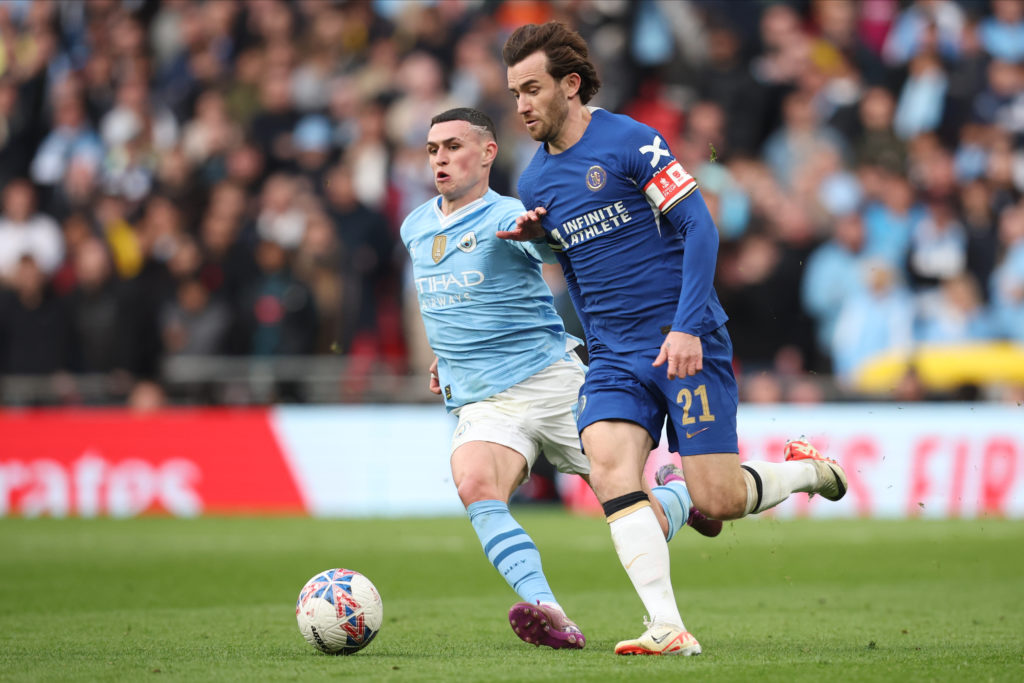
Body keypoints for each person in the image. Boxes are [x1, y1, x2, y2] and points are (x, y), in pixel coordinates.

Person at [501, 21, 849, 656]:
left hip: (683, 341)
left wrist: (688, 325)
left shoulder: (633, 141)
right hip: (614, 356)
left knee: (718, 495)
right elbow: (579, 262)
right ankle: (667, 625)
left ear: (570, 85)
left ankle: (807, 472)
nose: (521, 105)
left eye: (532, 88)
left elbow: (700, 227)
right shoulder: (533, 182)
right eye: (514, 92)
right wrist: (544, 242)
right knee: (609, 467)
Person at [400, 107, 719, 652]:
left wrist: (544, 235)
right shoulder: (415, 225)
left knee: (627, 501)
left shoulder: (512, 214)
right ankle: (550, 610)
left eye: (453, 146)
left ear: (487, 152)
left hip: (549, 381)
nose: (441, 159)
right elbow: (444, 303)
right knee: (475, 484)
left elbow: (553, 249)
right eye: (433, 150)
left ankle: (684, 498)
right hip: (483, 401)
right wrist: (444, 356)